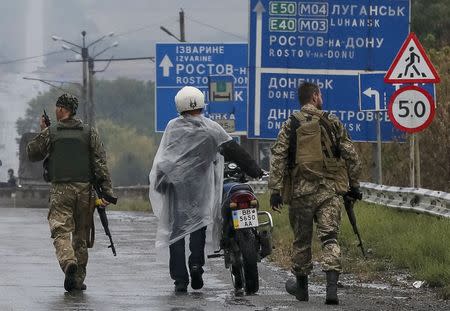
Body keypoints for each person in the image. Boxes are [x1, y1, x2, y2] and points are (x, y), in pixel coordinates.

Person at [149, 86, 263, 293]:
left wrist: (159, 182)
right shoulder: (212, 128)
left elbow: (164, 157)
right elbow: (234, 150)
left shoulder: (173, 127)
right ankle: (196, 265)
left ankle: (180, 280)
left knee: (176, 231)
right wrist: (254, 170)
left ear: (179, 105)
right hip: (200, 187)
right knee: (198, 225)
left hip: (176, 187)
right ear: (201, 104)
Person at [268, 82, 361, 305]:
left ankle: (302, 290)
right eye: (320, 95)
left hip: (300, 194)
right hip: (328, 191)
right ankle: (331, 291)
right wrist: (354, 185)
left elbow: (278, 157)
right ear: (315, 97)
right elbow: (351, 155)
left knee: (301, 241)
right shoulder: (332, 121)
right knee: (330, 238)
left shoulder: (290, 124)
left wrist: (275, 190)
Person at [26, 94, 114, 292]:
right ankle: (77, 280)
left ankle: (68, 262)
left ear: (61, 109)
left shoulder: (52, 132)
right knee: (81, 235)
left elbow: (32, 153)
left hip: (61, 191)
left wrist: (43, 131)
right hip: (85, 191)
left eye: (57, 108)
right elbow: (100, 163)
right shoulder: (89, 132)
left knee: (61, 230)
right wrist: (107, 192)